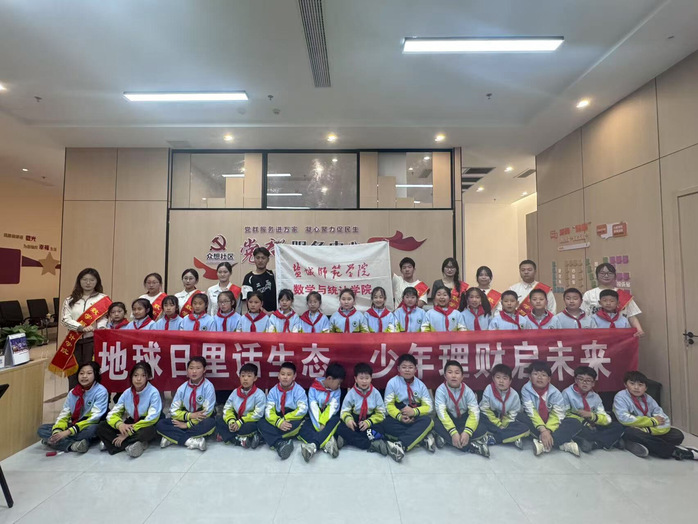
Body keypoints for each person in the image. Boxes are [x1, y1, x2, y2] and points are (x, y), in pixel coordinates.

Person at [613, 371, 697, 460]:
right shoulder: (620, 397)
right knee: (631, 432)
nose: (636, 387)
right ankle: (676, 452)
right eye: (632, 384)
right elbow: (624, 419)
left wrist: (648, 430)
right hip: (630, 429)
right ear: (625, 385)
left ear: (646, 388)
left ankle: (637, 444)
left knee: (677, 435)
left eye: (640, 385)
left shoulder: (648, 399)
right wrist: (652, 421)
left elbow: (663, 419)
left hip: (648, 430)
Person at [53, 268, 111, 388]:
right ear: (79, 281)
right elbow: (65, 319)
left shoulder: (103, 299)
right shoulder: (70, 300)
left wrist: (101, 328)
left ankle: (92, 396)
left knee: (91, 370)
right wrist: (80, 327)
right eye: (84, 279)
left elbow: (104, 318)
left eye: (92, 280)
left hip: (93, 341)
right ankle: (74, 396)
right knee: (74, 372)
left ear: (97, 281)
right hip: (74, 341)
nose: (88, 283)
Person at [38, 361, 108, 453]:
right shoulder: (73, 392)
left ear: (96, 375)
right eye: (81, 373)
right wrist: (57, 432)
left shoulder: (101, 391)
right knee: (42, 429)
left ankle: (54, 442)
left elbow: (94, 418)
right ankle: (73, 445)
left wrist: (67, 432)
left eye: (89, 373)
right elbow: (64, 414)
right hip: (75, 425)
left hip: (88, 425)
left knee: (93, 429)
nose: (84, 376)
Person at [96, 361, 162, 457]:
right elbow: (113, 413)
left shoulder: (153, 392)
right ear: (131, 377)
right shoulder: (127, 393)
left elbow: (152, 418)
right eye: (135, 375)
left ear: (148, 377)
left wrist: (129, 432)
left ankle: (113, 443)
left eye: (143, 375)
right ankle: (133, 444)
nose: (138, 379)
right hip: (130, 422)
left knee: (149, 431)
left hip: (144, 423)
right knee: (101, 426)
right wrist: (120, 425)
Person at [518, 361, 582, 457]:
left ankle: (543, 444)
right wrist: (542, 430)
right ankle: (562, 444)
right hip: (535, 423)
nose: (539, 377)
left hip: (552, 425)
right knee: (518, 417)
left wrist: (548, 430)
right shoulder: (526, 389)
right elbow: (531, 412)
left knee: (575, 422)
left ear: (549, 379)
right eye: (536, 374)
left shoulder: (555, 393)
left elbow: (557, 414)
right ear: (530, 377)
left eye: (543, 375)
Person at [156, 356, 216, 451]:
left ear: (204, 370)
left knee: (210, 423)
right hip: (184, 419)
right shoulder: (182, 388)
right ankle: (191, 441)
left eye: (198, 368)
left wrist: (188, 425)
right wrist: (189, 416)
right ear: (187, 370)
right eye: (191, 368)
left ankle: (173, 437)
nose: (194, 371)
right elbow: (173, 411)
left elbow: (207, 412)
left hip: (199, 422)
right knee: (161, 424)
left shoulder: (208, 387)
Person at [383, 354, 435, 461]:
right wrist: (400, 416)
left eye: (410, 367)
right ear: (398, 369)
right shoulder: (392, 383)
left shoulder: (420, 385)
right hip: (398, 418)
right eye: (404, 367)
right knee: (383, 423)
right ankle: (422, 438)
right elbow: (388, 405)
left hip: (416, 418)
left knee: (428, 421)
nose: (407, 370)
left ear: (415, 369)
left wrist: (414, 412)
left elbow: (429, 407)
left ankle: (400, 445)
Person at [562, 366, 624, 453]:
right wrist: (585, 421)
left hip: (594, 424)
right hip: (580, 424)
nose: (584, 383)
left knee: (617, 427)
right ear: (575, 380)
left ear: (593, 383)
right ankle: (609, 440)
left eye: (588, 380)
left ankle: (594, 443)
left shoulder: (596, 397)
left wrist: (592, 416)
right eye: (581, 379)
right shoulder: (567, 393)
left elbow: (605, 417)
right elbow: (564, 414)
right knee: (574, 426)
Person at [433, 360, 489, 457]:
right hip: (449, 420)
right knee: (434, 423)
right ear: (445, 376)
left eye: (457, 373)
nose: (453, 376)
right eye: (450, 372)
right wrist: (453, 432)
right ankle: (471, 446)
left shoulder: (468, 391)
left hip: (463, 420)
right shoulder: (440, 391)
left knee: (483, 424)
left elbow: (474, 412)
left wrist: (467, 432)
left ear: (462, 376)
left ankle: (447, 439)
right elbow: (442, 413)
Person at [257, 362, 308, 460]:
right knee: (261, 422)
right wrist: (278, 422)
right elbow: (268, 410)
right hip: (277, 418)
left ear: (294, 376)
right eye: (283, 374)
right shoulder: (273, 391)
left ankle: (266, 437)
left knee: (300, 424)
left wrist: (285, 419)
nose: (285, 377)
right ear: (278, 376)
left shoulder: (299, 390)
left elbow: (303, 409)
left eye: (289, 374)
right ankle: (280, 443)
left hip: (291, 419)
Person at [337, 363, 390, 455]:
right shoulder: (351, 393)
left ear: (371, 378)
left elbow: (381, 413)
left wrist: (369, 422)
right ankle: (371, 444)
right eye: (361, 378)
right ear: (355, 379)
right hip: (355, 422)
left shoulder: (376, 393)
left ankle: (348, 439)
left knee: (381, 429)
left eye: (367, 378)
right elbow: (344, 411)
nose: (364, 381)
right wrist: (349, 420)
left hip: (369, 422)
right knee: (340, 428)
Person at [299, 363, 346, 462]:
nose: (339, 386)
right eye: (338, 383)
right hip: (315, 418)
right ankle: (327, 444)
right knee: (302, 428)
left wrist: (323, 422)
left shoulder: (337, 391)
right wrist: (318, 424)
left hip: (329, 419)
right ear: (329, 379)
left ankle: (313, 446)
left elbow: (332, 408)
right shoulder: (314, 388)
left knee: (336, 421)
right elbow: (313, 407)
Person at [582, 263, 644, 337]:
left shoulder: (623, 295)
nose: (606, 276)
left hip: (620, 333)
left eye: (610, 273)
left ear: (615, 276)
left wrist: (639, 330)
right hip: (596, 334)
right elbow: (583, 315)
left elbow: (631, 316)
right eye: (602, 273)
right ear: (597, 275)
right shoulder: (588, 294)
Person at [478, 364, 529, 448]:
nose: (501, 381)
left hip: (507, 422)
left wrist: (504, 425)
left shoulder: (514, 394)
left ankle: (495, 438)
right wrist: (499, 424)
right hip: (491, 420)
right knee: (480, 416)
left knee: (525, 428)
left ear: (510, 381)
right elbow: (485, 409)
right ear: (493, 378)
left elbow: (513, 414)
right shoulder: (489, 389)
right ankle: (511, 437)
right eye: (498, 377)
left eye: (505, 378)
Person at [216, 363, 265, 448]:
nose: (245, 379)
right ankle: (239, 440)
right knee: (219, 420)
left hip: (248, 421)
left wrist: (240, 422)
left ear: (255, 378)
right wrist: (231, 421)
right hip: (236, 419)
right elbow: (228, 408)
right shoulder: (235, 392)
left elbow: (258, 413)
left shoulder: (259, 394)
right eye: (243, 376)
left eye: (249, 376)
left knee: (250, 427)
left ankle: (230, 437)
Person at [241, 246, 276, 313]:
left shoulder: (273, 275)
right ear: (254, 259)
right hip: (256, 316)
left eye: (263, 258)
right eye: (258, 258)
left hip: (274, 315)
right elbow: (248, 299)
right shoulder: (248, 277)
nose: (260, 260)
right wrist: (265, 313)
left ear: (268, 260)